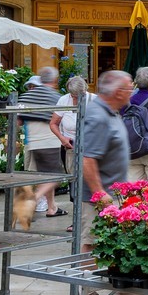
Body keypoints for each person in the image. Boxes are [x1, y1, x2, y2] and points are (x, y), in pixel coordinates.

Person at [79, 71, 132, 295]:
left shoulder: (111, 112)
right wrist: (100, 194)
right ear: (118, 92)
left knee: (113, 241)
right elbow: (88, 159)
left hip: (113, 193)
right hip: (99, 197)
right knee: (92, 242)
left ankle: (122, 286)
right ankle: (88, 293)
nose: (131, 92)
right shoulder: (98, 116)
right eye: (129, 88)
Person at [18, 66, 65, 218]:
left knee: (46, 176)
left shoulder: (27, 96)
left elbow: (18, 120)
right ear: (55, 80)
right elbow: (62, 119)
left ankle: (52, 208)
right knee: (56, 176)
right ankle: (33, 200)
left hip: (33, 143)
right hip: (51, 142)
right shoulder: (55, 97)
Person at [50, 75, 93, 203]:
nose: (76, 99)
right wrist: (62, 138)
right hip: (70, 146)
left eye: (79, 96)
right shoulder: (64, 100)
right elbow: (53, 124)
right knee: (73, 182)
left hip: (90, 148)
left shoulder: (94, 100)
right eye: (73, 96)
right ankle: (76, 212)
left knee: (89, 180)